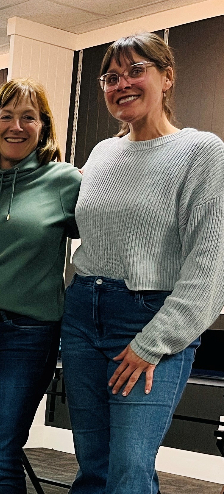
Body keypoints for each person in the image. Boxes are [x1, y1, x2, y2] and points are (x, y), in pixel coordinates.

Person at [62, 32, 224, 494]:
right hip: (82, 315)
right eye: (111, 77)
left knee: (129, 469)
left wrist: (152, 342)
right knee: (93, 465)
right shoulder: (101, 154)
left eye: (137, 71)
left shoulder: (201, 152)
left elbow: (210, 268)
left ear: (167, 77)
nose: (122, 84)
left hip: (149, 317)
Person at [0, 78, 81, 493]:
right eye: (6, 116)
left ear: (44, 127)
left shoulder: (65, 182)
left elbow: (107, 242)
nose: (16, 126)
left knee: (2, 453)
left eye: (29, 117)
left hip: (27, 336)